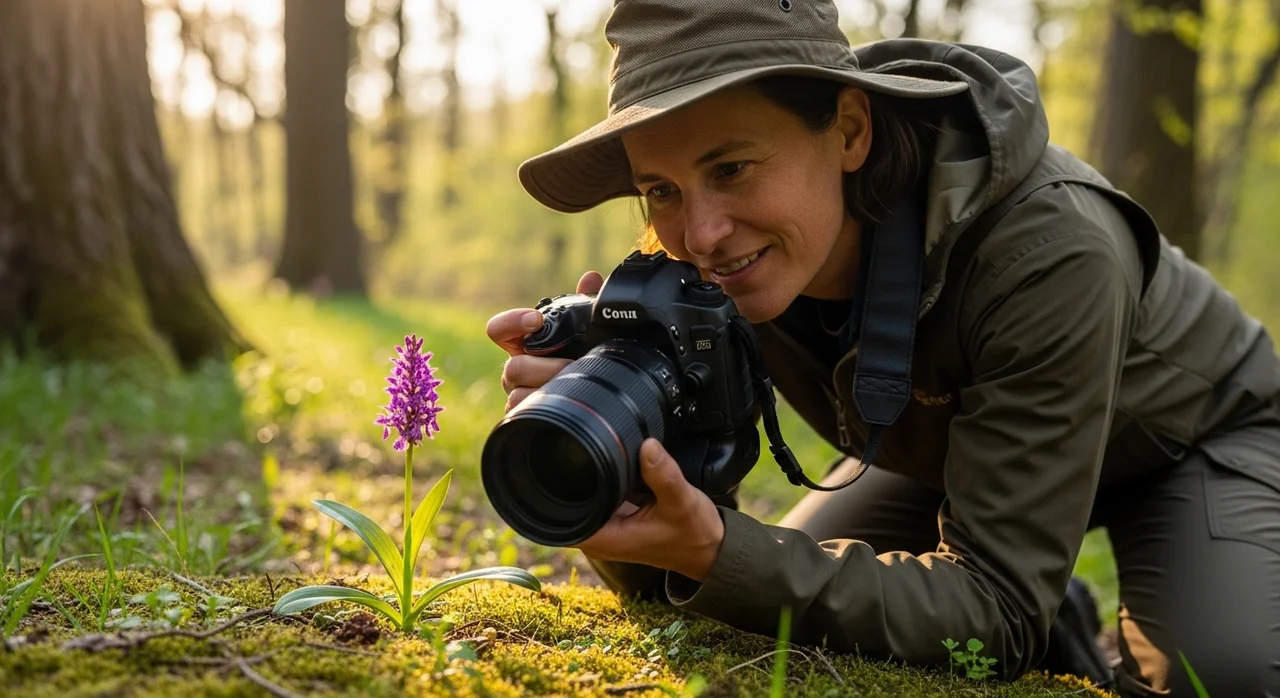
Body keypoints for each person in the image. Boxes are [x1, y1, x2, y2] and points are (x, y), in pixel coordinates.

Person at [484, 1, 1280, 695]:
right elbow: (684, 570)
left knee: (1221, 674)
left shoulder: (1048, 253)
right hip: (947, 452)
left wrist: (722, 550)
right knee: (755, 605)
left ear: (850, 131)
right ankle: (1061, 617)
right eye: (661, 189)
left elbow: (996, 611)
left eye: (731, 167)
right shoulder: (721, 271)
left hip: (1193, 439)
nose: (700, 235)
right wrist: (611, 437)